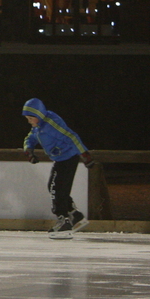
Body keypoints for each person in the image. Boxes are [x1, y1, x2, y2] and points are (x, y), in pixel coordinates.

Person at [22, 98, 94, 239]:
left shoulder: (51, 123)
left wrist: (85, 155)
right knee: (56, 187)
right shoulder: (38, 126)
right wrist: (29, 150)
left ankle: (63, 220)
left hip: (68, 158)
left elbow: (72, 137)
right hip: (61, 159)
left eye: (31, 118)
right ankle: (75, 215)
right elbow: (31, 137)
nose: (29, 121)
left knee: (56, 188)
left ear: (39, 115)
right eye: (27, 118)